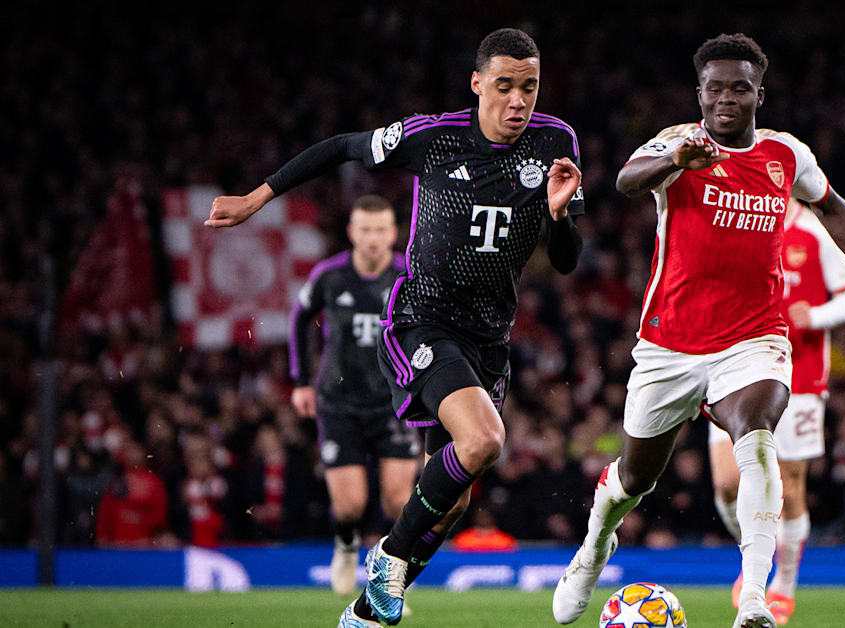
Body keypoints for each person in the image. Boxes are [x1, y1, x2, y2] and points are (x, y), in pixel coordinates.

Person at [205, 27, 584, 627]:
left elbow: (565, 259)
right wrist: (257, 199)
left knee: (453, 500)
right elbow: (340, 147)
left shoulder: (555, 142)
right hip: (423, 321)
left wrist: (561, 215)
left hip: (491, 340)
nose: (519, 101)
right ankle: (388, 560)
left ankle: (369, 608)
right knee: (484, 440)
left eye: (530, 87)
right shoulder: (431, 138)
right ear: (478, 82)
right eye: (506, 86)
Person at [553, 34, 845, 628]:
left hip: (754, 338)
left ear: (759, 94)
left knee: (758, 434)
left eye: (740, 88)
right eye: (715, 89)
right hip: (671, 344)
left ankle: (757, 599)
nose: (726, 99)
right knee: (634, 480)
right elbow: (626, 181)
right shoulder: (678, 142)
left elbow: (834, 205)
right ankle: (592, 551)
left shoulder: (786, 155)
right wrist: (675, 162)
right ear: (701, 94)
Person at [709, 198, 845, 625]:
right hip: (735, 368)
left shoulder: (815, 231)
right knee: (726, 483)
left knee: (790, 488)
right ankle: (757, 558)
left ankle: (785, 585)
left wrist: (813, 314)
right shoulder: (739, 219)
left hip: (801, 375)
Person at [288, 195, 421, 596]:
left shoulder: (410, 272)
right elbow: (298, 321)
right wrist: (301, 381)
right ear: (352, 232)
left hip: (395, 402)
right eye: (365, 230)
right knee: (350, 507)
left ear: (393, 233)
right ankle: (346, 546)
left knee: (400, 503)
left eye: (381, 230)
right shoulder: (329, 276)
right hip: (339, 401)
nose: (373, 238)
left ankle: (392, 580)